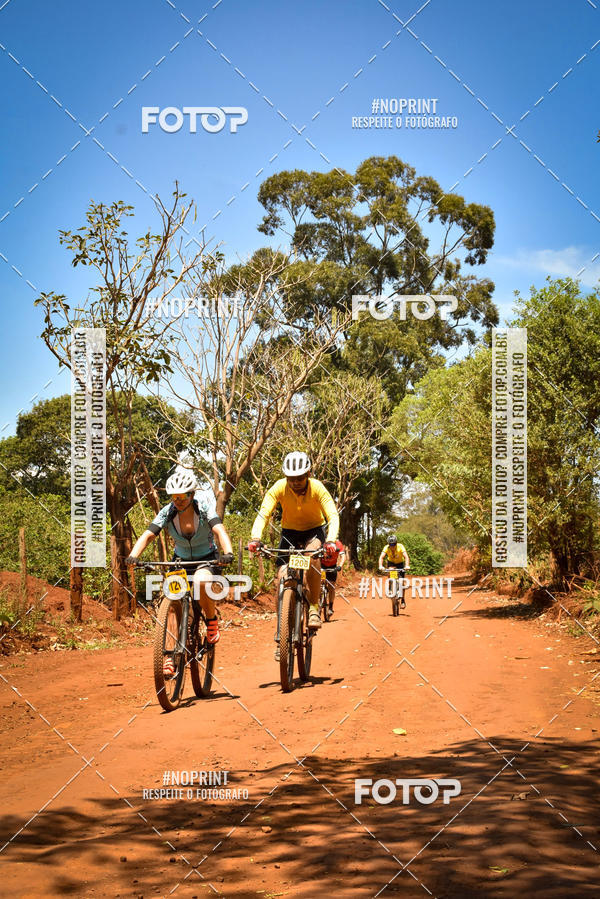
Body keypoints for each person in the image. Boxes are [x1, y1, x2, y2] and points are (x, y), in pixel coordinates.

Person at [126, 467, 233, 668]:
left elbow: (219, 530)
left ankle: (211, 620)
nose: (178, 500)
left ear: (192, 494)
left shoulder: (203, 508)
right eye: (174, 496)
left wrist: (227, 552)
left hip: (206, 559)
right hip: (180, 561)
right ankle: (169, 655)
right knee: (172, 601)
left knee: (202, 582)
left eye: (183, 495)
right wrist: (133, 556)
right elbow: (149, 534)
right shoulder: (168, 512)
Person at [247, 451, 339, 658]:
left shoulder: (317, 488)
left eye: (300, 478)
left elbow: (332, 515)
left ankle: (314, 608)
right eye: (291, 479)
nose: (296, 482)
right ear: (286, 477)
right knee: (282, 577)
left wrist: (331, 540)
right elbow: (264, 513)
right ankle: (283, 634)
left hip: (314, 531)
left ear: (308, 474)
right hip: (289, 534)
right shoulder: (279, 487)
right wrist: (255, 538)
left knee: (312, 557)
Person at [378, 534, 410, 609]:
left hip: (400, 564)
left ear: (396, 543)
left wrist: (407, 565)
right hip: (391, 563)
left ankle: (402, 600)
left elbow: (406, 557)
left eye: (393, 544)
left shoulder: (400, 546)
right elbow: (381, 557)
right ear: (388, 544)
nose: (392, 546)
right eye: (390, 544)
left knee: (401, 582)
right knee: (390, 571)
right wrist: (380, 565)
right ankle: (390, 587)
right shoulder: (386, 547)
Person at [321, 539, 346, 615]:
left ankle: (331, 607)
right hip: (322, 566)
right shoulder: (321, 542)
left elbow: (343, 556)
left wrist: (340, 566)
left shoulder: (338, 544)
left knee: (331, 586)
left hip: (333, 566)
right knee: (319, 584)